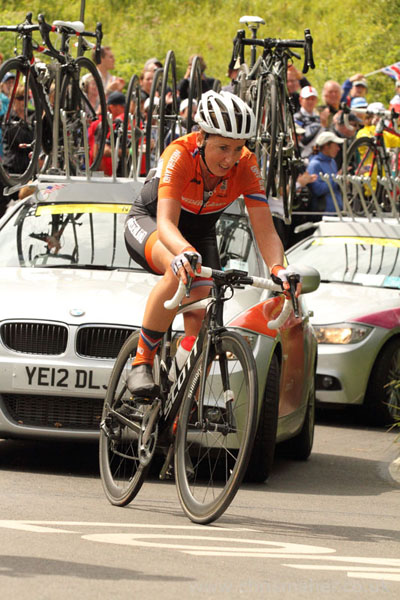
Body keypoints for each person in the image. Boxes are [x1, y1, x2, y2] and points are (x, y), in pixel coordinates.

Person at [124, 90, 301, 396]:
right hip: (153, 224)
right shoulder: (179, 153)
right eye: (222, 147)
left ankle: (180, 396)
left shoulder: (246, 164)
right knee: (178, 270)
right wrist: (182, 253)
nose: (230, 158)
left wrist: (278, 268)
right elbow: (167, 222)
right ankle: (141, 361)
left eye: (237, 148)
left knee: (204, 319)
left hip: (200, 233)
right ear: (202, 136)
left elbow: (265, 229)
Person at [307, 130, 344, 214]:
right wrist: (337, 178)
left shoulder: (332, 162)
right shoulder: (314, 165)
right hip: (324, 214)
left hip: (336, 212)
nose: (338, 149)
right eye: (336, 145)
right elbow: (318, 190)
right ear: (326, 146)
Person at [293, 86, 323, 158]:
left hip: (318, 155)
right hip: (303, 156)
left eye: (313, 99)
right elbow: (302, 142)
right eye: (307, 99)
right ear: (300, 100)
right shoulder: (296, 118)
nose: (310, 101)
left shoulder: (318, 117)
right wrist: (321, 126)